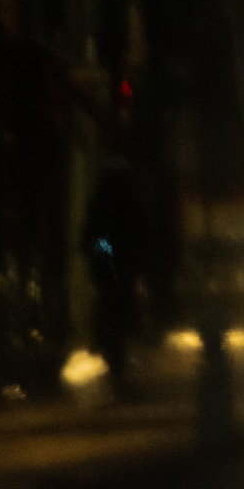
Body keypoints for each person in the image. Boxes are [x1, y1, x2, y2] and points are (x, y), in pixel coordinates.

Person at [83, 162, 144, 394]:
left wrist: (104, 257)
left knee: (111, 313)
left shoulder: (101, 204)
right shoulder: (128, 203)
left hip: (110, 266)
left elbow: (95, 236)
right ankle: (116, 369)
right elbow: (137, 234)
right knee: (119, 315)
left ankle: (113, 365)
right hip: (120, 265)